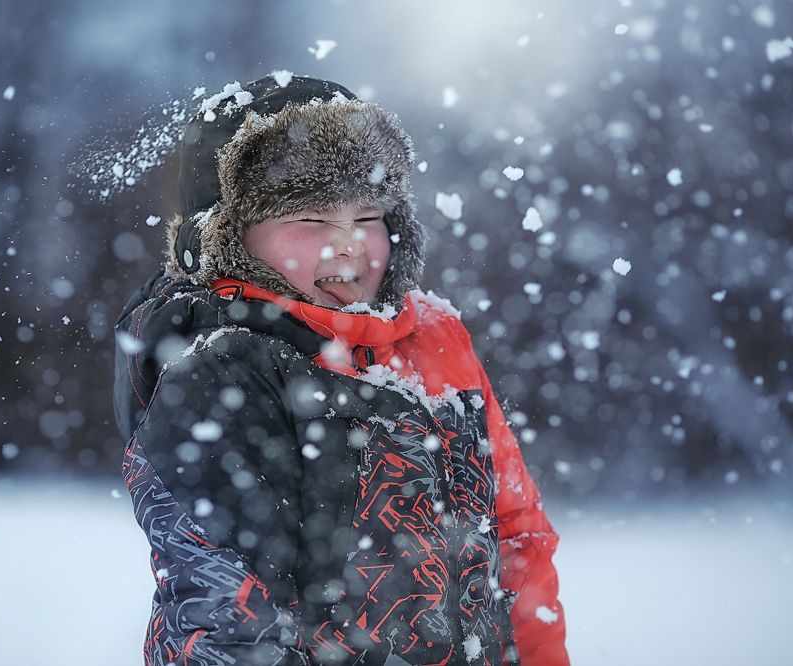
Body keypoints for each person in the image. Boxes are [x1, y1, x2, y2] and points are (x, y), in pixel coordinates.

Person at [113, 74, 569, 665]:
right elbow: (228, 620)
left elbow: (517, 533)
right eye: (310, 218)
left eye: (368, 215)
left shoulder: (435, 335)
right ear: (229, 238)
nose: (349, 245)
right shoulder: (224, 368)